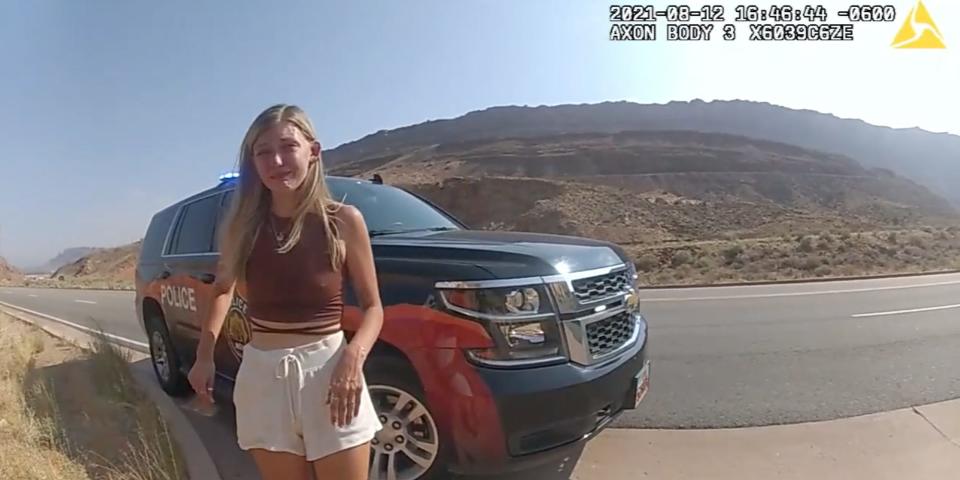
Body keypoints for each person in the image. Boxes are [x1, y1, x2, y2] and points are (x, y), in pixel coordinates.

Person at [188, 104, 384, 480]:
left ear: (313, 151)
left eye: (287, 146)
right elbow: (222, 292)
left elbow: (374, 307)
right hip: (262, 377)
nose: (276, 161)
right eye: (263, 152)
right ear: (253, 162)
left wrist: (353, 358)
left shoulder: (343, 221)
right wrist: (204, 356)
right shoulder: (241, 228)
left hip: (330, 372)